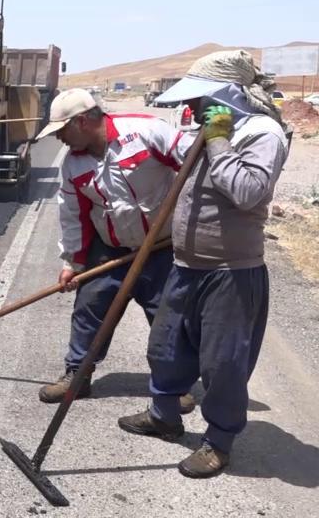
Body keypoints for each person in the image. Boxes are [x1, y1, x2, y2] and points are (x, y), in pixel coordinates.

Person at [118, 50, 289, 479]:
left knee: (223, 363)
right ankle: (163, 415)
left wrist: (218, 140)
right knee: (166, 346)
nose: (189, 107)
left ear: (229, 93)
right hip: (185, 264)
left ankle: (218, 441)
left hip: (231, 271)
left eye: (199, 99)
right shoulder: (211, 127)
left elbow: (247, 191)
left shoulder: (262, 132)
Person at [34, 88, 194, 415]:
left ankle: (175, 387)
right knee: (89, 310)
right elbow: (73, 215)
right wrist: (74, 264)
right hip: (110, 251)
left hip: (160, 249)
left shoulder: (145, 131)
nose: (60, 139)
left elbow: (194, 163)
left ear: (81, 122)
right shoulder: (74, 165)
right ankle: (78, 376)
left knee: (169, 320)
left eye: (62, 131)